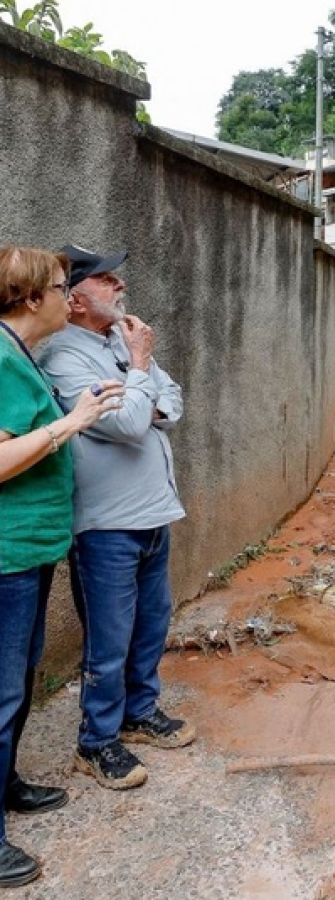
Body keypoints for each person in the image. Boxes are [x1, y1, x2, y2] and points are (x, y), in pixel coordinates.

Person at [38, 246, 195, 793]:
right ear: (76, 300)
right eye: (106, 278)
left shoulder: (117, 345)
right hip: (105, 525)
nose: (120, 283)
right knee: (109, 639)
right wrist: (143, 371)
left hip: (153, 512)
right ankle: (97, 741)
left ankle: (138, 712)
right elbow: (129, 425)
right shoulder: (64, 358)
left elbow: (170, 403)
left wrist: (140, 389)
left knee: (151, 624)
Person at [0, 246, 124, 887]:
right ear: (29, 299)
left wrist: (74, 412)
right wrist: (70, 423)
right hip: (7, 554)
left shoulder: (18, 355)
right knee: (1, 692)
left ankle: (8, 785)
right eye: (57, 285)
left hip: (32, 550)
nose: (66, 293)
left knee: (16, 682)